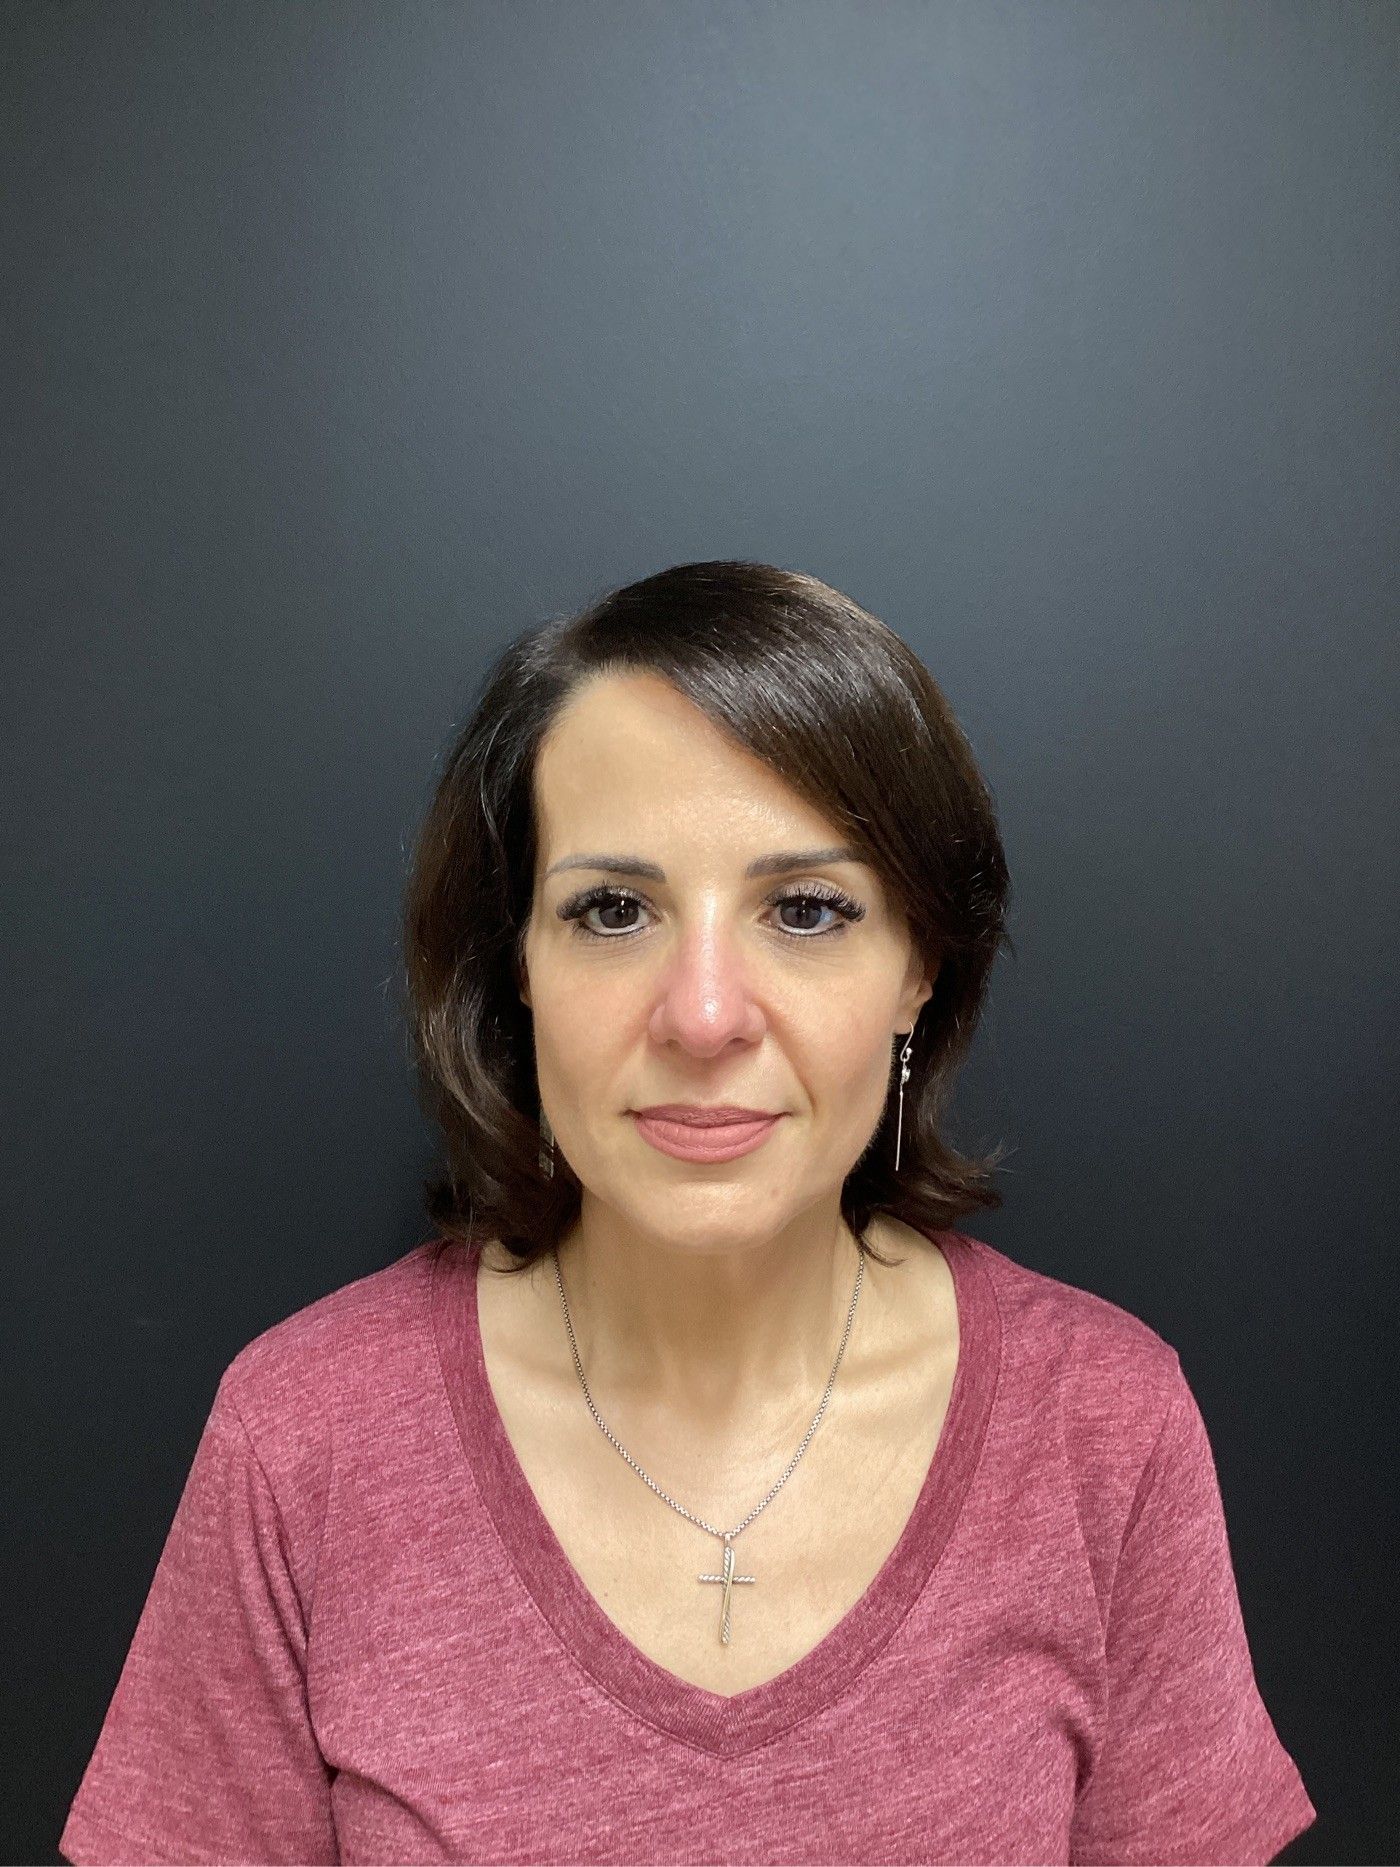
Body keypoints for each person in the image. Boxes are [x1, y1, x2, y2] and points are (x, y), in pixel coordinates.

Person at [60, 561, 1316, 1865]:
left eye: (806, 910)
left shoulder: (1104, 1434)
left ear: (919, 969)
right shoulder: (302, 1445)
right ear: (518, 967)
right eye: (613, 910)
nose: (704, 1015)